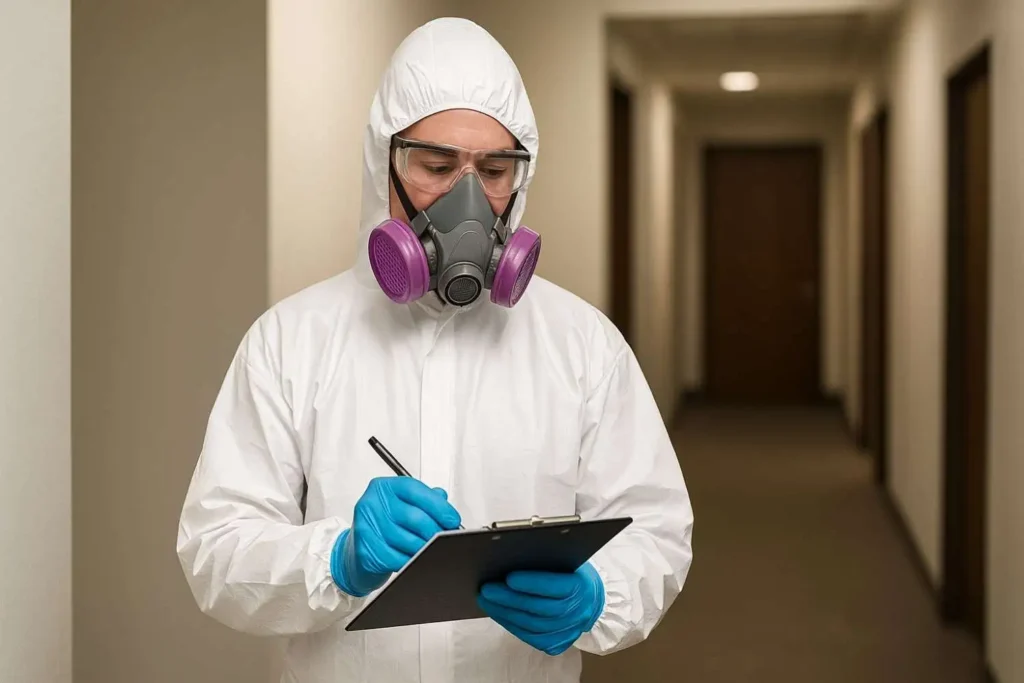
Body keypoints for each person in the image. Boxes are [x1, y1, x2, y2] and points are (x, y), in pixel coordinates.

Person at [176, 16, 693, 683]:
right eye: (437, 165)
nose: (468, 200)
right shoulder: (291, 342)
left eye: (495, 169)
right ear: (382, 164)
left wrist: (598, 596)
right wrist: (337, 556)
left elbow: (656, 530)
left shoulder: (583, 346)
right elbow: (215, 551)